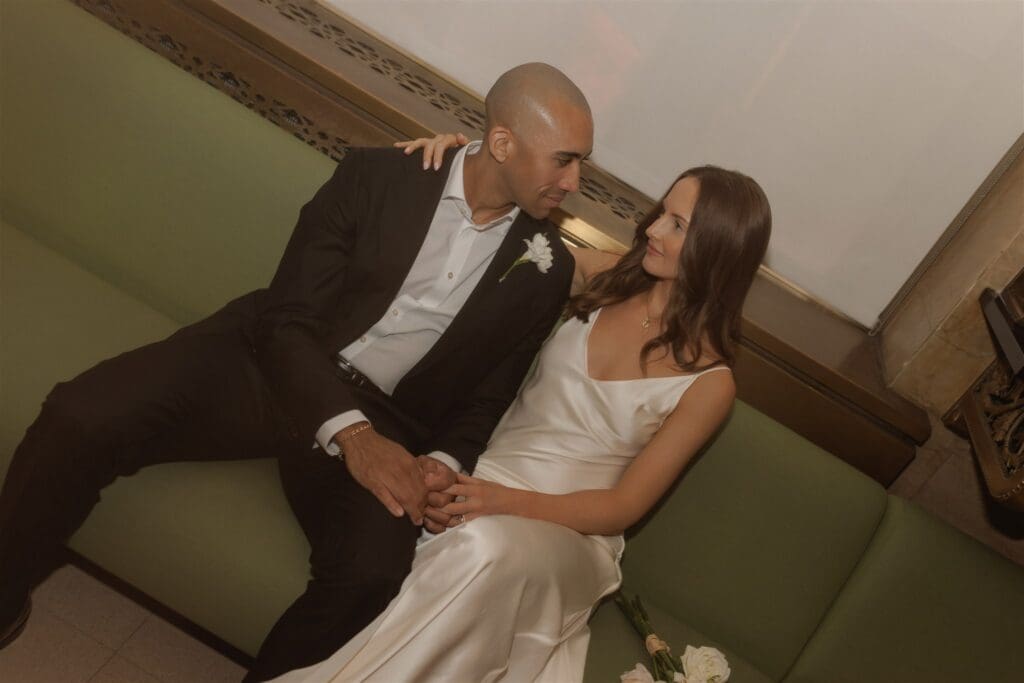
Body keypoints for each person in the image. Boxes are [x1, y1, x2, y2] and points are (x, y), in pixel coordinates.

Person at [0, 63, 592, 681]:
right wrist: (352, 436)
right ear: (501, 144)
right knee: (79, 416)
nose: (575, 181)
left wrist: (438, 464)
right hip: (269, 362)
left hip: (390, 423)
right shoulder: (379, 176)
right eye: (565, 160)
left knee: (373, 577)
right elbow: (286, 319)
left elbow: (486, 400)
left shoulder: (546, 269)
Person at [267, 134, 773, 682]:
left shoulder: (710, 383)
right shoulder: (607, 277)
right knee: (421, 532)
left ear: (719, 251)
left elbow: (623, 507)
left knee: (484, 545)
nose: (652, 229)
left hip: (572, 529)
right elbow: (492, 233)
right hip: (488, 475)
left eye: (678, 226)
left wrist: (503, 502)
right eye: (662, 212)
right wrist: (472, 152)